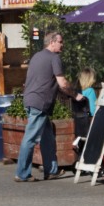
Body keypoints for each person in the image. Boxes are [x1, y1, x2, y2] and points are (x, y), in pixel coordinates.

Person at [16, 31, 71, 182]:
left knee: (47, 137)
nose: (62, 44)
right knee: (30, 138)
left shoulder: (36, 56)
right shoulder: (54, 58)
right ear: (52, 42)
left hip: (31, 100)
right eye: (60, 41)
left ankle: (51, 170)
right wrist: (75, 94)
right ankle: (22, 173)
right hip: (40, 102)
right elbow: (62, 83)